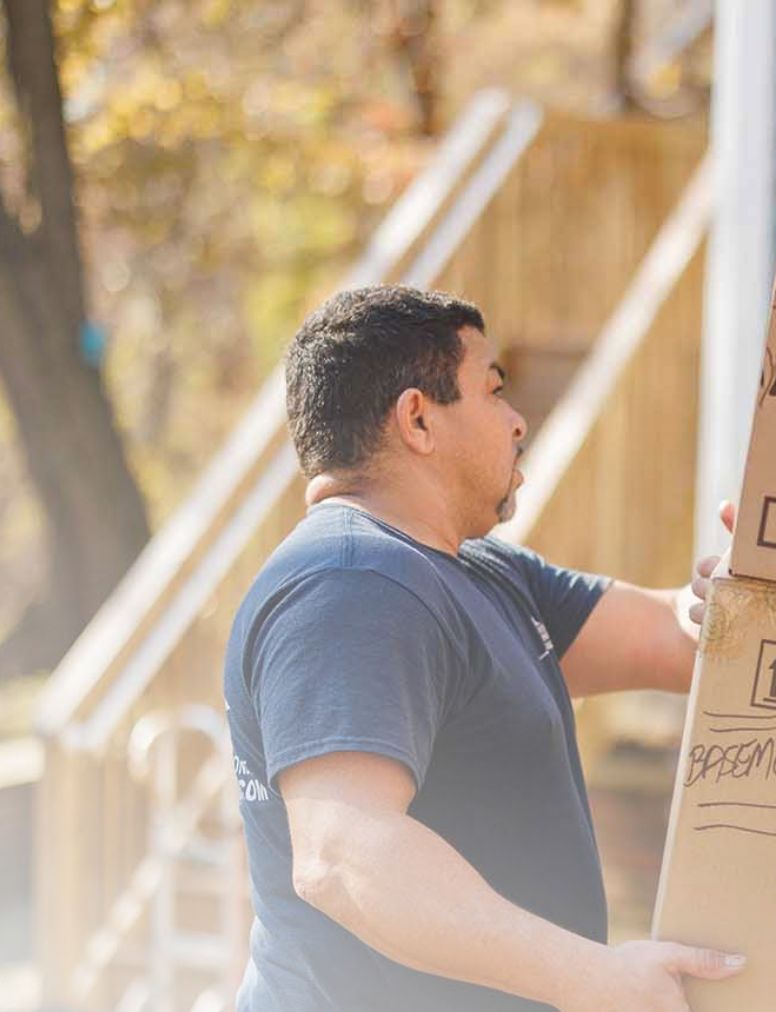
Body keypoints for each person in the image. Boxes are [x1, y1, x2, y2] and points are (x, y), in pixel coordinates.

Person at [223, 285, 740, 1012]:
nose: (518, 420)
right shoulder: (352, 585)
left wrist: (758, 593)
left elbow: (681, 639)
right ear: (418, 419)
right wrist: (594, 979)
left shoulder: (476, 571)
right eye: (494, 391)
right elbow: (344, 856)